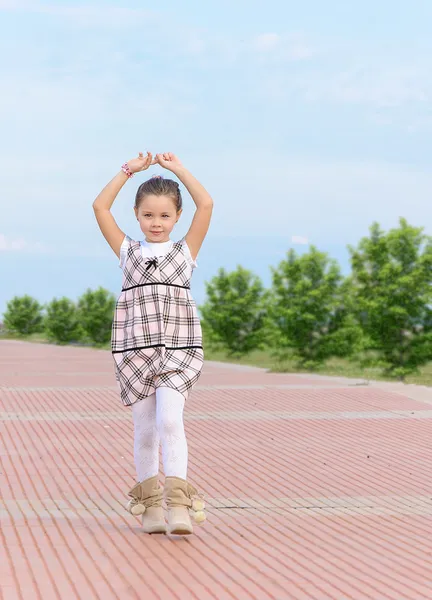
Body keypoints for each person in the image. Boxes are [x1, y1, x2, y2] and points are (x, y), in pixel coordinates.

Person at [93, 151, 213, 535]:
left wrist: (176, 169)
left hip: (179, 351)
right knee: (145, 430)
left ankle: (178, 504)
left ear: (177, 216)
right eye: (148, 215)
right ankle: (150, 508)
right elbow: (99, 206)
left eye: (164, 216)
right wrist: (129, 170)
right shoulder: (129, 251)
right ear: (137, 214)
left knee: (169, 420)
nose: (156, 223)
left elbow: (206, 203)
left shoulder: (185, 252)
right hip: (135, 354)